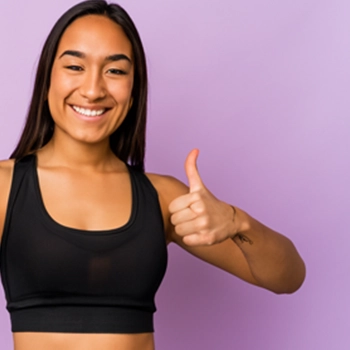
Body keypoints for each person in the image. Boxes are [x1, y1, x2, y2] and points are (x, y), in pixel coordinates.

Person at [0, 1, 306, 349]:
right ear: (47, 80)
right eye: (74, 66)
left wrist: (237, 222)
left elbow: (289, 277)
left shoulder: (163, 199)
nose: (92, 89)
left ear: (133, 91)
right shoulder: (6, 188)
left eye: (115, 71)